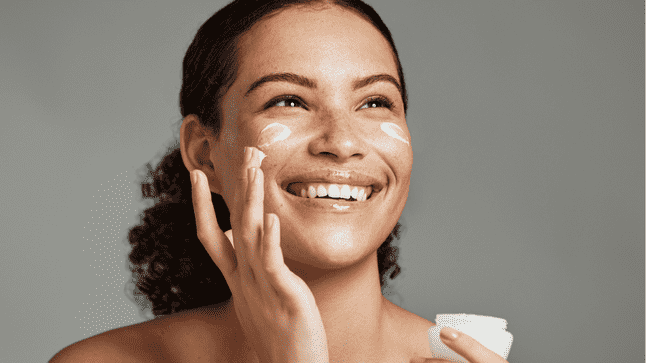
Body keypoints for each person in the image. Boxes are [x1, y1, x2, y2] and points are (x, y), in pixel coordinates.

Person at [50, 1, 509, 362]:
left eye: (374, 102)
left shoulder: (466, 360)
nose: (342, 141)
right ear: (204, 153)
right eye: (289, 101)